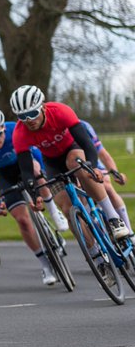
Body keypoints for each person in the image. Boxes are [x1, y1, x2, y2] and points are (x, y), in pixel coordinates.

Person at [10, 85, 132, 244]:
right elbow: (26, 170)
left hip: (72, 149)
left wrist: (93, 167)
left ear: (43, 107)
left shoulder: (60, 111)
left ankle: (114, 219)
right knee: (68, 210)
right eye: (22, 116)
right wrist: (35, 196)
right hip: (52, 162)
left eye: (32, 113)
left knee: (76, 163)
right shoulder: (20, 133)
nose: (29, 120)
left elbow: (87, 144)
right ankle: (95, 254)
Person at [0, 106, 60, 286]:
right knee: (23, 221)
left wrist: (42, 172)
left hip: (24, 164)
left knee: (37, 171)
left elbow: (36, 155)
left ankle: (54, 212)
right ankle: (46, 266)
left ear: (4, 127)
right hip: (4, 175)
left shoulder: (17, 129)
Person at [81, 120, 129, 231]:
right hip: (75, 165)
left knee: (107, 185)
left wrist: (116, 173)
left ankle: (130, 233)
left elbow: (102, 153)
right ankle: (96, 238)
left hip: (92, 162)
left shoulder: (83, 126)